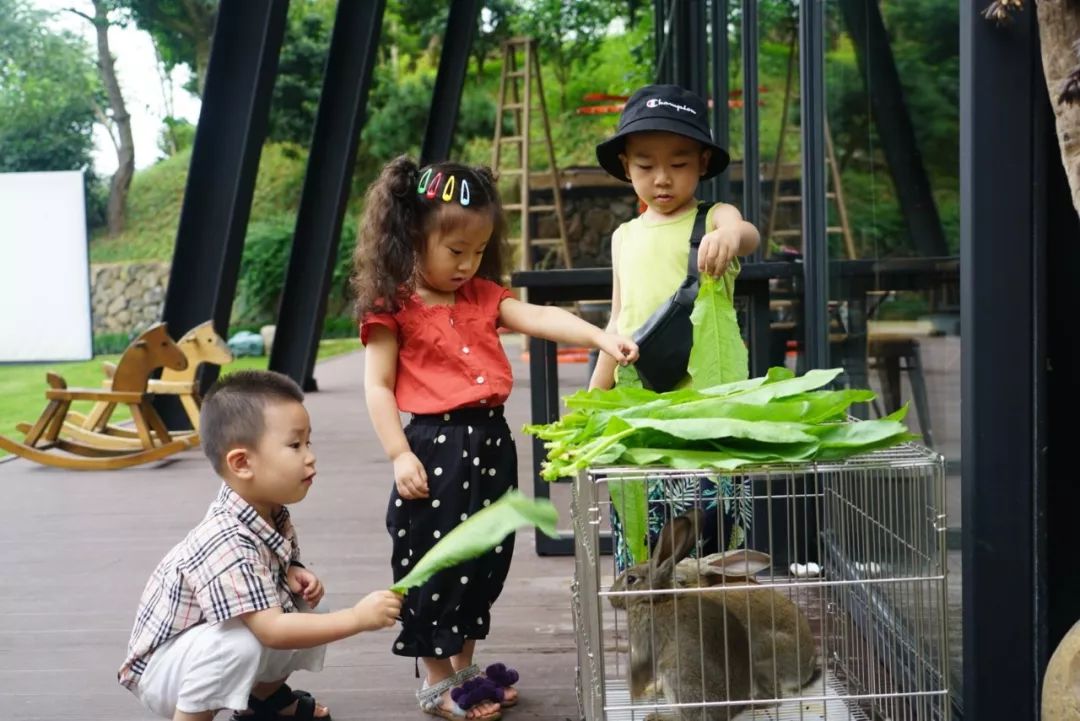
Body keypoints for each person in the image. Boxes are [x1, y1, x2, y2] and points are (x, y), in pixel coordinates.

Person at [354, 157, 639, 720]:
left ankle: (464, 667)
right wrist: (398, 453)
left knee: (485, 561)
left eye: (478, 251)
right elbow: (377, 386)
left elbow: (538, 315)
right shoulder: (394, 307)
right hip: (433, 449)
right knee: (438, 562)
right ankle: (438, 683)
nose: (467, 264)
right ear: (412, 237)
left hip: (490, 444)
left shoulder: (482, 297)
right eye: (454, 250)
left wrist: (600, 336)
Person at [118, 370, 402, 721]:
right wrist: (357, 618)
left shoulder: (268, 512)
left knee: (308, 605)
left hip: (201, 651)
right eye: (295, 445)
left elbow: (276, 562)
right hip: (162, 674)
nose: (310, 456)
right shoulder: (225, 540)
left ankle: (265, 702)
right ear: (242, 463)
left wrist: (293, 568)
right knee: (241, 642)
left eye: (308, 443)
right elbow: (271, 629)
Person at [589, 84, 762, 573]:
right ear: (626, 165)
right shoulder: (623, 238)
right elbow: (618, 321)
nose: (662, 178)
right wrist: (594, 400)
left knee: (711, 554)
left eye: (680, 163)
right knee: (651, 554)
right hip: (646, 418)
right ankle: (659, 640)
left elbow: (746, 232)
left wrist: (728, 236)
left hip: (709, 417)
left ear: (703, 163)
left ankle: (716, 641)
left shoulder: (713, 220)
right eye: (645, 166)